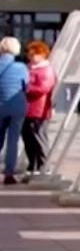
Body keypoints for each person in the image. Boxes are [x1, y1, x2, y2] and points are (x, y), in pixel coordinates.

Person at [21, 41, 54, 178]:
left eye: (34, 54)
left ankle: (44, 165)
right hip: (26, 108)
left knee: (39, 138)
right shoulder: (28, 68)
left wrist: (26, 89)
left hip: (39, 109)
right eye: (29, 54)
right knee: (28, 138)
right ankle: (32, 165)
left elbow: (44, 88)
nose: (31, 56)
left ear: (42, 54)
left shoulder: (46, 70)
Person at [0, 37, 28, 185]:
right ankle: (9, 174)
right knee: (13, 141)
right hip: (17, 106)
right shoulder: (21, 67)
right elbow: (26, 87)